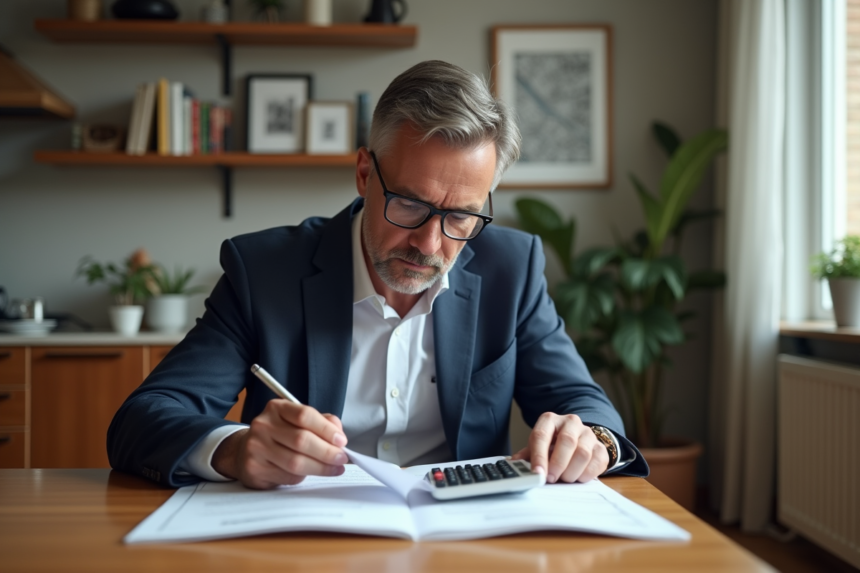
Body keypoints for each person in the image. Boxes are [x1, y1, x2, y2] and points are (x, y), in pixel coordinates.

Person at [108, 60, 648, 489]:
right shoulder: (264, 273)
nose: (430, 244)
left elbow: (584, 402)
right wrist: (233, 449)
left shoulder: (513, 268)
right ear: (365, 172)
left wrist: (589, 437)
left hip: (468, 540)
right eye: (410, 205)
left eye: (461, 215)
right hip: (306, 539)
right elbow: (143, 419)